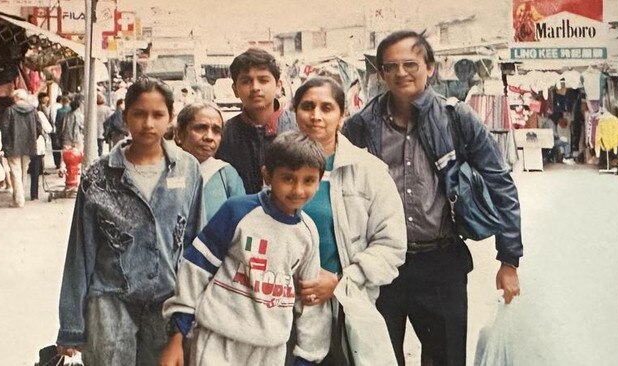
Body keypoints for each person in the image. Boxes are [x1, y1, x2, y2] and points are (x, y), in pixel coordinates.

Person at [343, 31, 523, 366]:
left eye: (410, 64)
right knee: (377, 357)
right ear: (380, 73)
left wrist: (509, 259)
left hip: (442, 263)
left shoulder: (457, 117)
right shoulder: (362, 125)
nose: (401, 73)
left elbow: (501, 184)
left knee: (446, 359)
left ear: (431, 68)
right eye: (391, 66)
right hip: (381, 265)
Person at [56, 77, 205, 365]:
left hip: (167, 302)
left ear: (170, 118)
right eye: (139, 113)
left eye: (157, 115)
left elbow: (194, 245)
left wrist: (190, 313)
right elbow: (79, 253)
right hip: (109, 303)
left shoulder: (188, 169)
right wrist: (71, 325)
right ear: (125, 117)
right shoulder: (98, 176)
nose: (148, 123)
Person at [161, 130, 330, 366]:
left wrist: (307, 357)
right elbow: (195, 270)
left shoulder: (307, 232)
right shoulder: (238, 211)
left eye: (309, 180)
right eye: (288, 178)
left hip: (269, 350)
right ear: (267, 176)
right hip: (219, 340)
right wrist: (178, 333)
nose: (298, 190)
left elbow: (311, 300)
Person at [291, 77, 407, 365]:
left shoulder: (368, 171)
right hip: (291, 306)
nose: (316, 116)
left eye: (326, 107)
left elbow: (391, 245)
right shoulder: (282, 167)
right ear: (295, 112)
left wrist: (341, 281)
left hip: (349, 304)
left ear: (342, 114)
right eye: (307, 106)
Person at [216, 48, 297, 194]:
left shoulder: (299, 128)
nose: (255, 88)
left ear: (278, 86)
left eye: (263, 80)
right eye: (246, 81)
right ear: (235, 89)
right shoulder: (224, 134)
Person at [176, 102, 246, 222]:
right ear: (179, 134)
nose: (209, 137)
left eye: (216, 130)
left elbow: (242, 222)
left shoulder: (226, 174)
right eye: (200, 128)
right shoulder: (168, 170)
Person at [0, 89, 42, 208]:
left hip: (13, 146)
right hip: (28, 145)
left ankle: (18, 200)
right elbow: (39, 128)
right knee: (23, 171)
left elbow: (4, 128)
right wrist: (33, 139)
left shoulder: (10, 111)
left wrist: (4, 143)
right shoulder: (33, 111)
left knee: (15, 172)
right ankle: (19, 196)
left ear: (16, 98)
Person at [28, 102, 53, 200]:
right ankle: (34, 194)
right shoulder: (39, 114)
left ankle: (18, 193)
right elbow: (49, 129)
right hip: (37, 145)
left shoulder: (13, 111)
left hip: (21, 144)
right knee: (35, 169)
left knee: (20, 169)